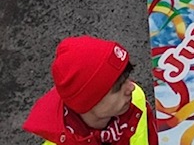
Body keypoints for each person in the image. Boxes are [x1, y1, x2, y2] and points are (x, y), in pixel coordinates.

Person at [23, 36, 157, 144]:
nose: (131, 87)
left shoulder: (136, 99)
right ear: (88, 103)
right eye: (118, 87)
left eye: (126, 77)